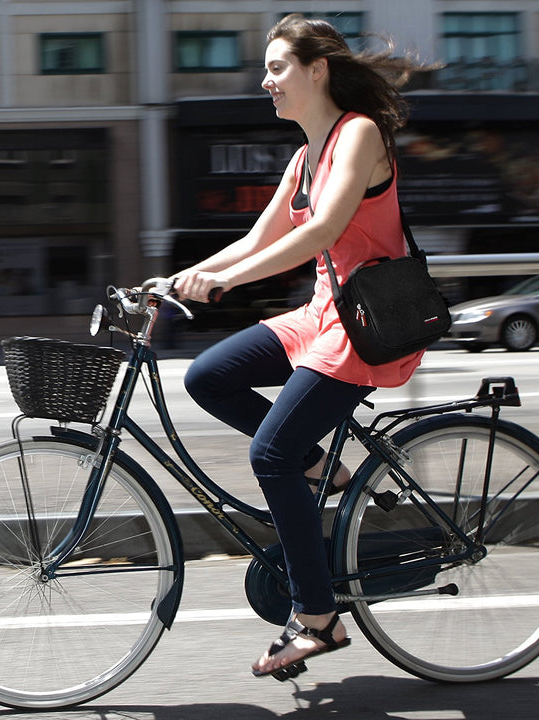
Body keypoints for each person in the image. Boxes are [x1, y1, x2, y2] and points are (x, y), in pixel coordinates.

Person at [172, 13, 426, 680]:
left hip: (365, 327)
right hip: (320, 315)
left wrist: (222, 281)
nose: (266, 80)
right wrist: (176, 279)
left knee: (270, 454)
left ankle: (318, 616)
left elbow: (321, 235)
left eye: (278, 67)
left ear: (318, 70)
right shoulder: (304, 156)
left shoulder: (360, 135)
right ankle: (324, 468)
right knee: (207, 376)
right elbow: (258, 241)